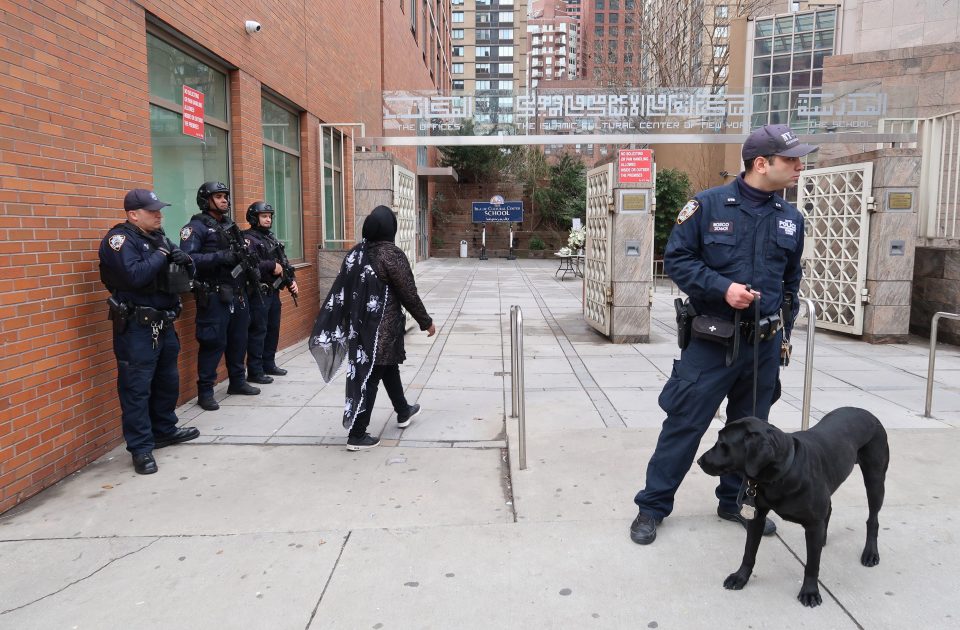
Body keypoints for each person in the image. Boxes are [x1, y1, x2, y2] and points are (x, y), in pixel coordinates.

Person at [629, 124, 816, 545]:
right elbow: (677, 260)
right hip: (713, 343)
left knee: (753, 433)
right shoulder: (708, 206)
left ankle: (735, 502)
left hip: (763, 347)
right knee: (684, 424)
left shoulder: (790, 219)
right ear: (761, 163)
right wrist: (722, 289)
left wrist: (782, 319)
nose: (800, 166)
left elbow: (791, 278)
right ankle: (652, 507)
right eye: (791, 159)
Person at [308, 205, 435, 451]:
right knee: (372, 375)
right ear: (390, 228)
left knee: (387, 368)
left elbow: (343, 291)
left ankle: (403, 410)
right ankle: (357, 434)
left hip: (362, 327)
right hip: (382, 330)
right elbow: (408, 292)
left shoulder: (356, 253)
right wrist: (425, 321)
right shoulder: (391, 254)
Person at [98, 189, 200, 474]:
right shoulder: (119, 241)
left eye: (159, 210)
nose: (159, 215)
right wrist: (163, 254)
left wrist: (183, 259)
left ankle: (165, 429)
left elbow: (179, 275)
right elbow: (135, 275)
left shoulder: (158, 238)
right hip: (137, 328)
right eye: (152, 211)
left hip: (164, 323)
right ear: (133, 214)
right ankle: (141, 448)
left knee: (168, 381)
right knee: (136, 389)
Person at [180, 181, 261, 411]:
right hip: (214, 296)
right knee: (212, 343)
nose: (224, 199)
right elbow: (188, 259)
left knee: (238, 341)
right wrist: (220, 257)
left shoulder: (230, 225)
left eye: (225, 196)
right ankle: (205, 392)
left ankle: (237, 381)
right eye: (218, 196)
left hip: (237, 293)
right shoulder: (195, 228)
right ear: (206, 200)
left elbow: (240, 254)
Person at [243, 201, 299, 384]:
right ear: (254, 218)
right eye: (264, 216)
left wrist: (292, 280)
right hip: (259, 292)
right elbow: (249, 265)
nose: (268, 219)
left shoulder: (270, 238)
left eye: (269, 216)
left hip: (273, 292)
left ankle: (269, 363)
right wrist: (270, 265)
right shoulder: (248, 239)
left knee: (272, 329)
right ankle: (255, 370)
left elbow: (283, 264)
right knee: (259, 331)